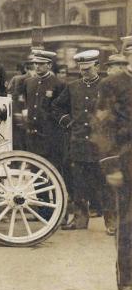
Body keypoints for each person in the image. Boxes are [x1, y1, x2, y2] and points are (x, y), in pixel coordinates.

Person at [91, 35, 132, 290]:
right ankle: (128, 278)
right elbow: (101, 126)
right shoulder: (112, 84)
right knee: (129, 222)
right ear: (128, 54)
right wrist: (111, 165)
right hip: (127, 161)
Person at [53, 50, 109, 232]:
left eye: (88, 68)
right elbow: (56, 107)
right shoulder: (73, 87)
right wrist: (68, 122)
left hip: (100, 145)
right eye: (82, 69)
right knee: (78, 185)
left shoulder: (106, 86)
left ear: (97, 66)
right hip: (78, 143)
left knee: (105, 184)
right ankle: (79, 220)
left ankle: (112, 222)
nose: (85, 72)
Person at [17, 51, 66, 166]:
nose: (37, 66)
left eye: (41, 64)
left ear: (49, 65)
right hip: (32, 130)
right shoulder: (28, 82)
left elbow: (61, 108)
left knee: (50, 164)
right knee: (34, 164)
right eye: (36, 64)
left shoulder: (58, 84)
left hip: (49, 131)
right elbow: (25, 103)